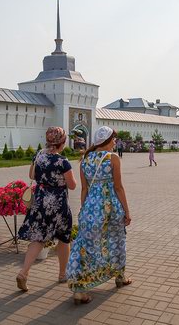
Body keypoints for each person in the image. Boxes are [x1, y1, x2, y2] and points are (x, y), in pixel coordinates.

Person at [67, 126, 132, 304]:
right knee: (116, 240)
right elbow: (118, 187)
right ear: (108, 140)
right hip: (110, 208)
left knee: (86, 246)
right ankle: (120, 277)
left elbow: (84, 188)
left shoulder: (85, 159)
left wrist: (83, 210)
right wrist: (127, 211)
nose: (115, 142)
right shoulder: (112, 158)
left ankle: (80, 288)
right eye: (114, 139)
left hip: (90, 208)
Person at [16, 126, 77, 291]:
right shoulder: (62, 162)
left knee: (38, 238)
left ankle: (24, 272)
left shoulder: (38, 156)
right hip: (58, 205)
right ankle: (62, 274)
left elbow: (31, 176)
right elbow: (72, 186)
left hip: (40, 202)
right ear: (62, 142)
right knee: (64, 239)